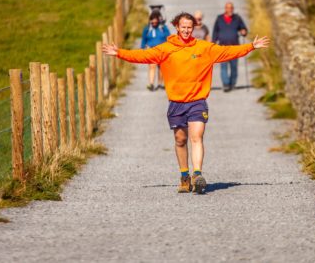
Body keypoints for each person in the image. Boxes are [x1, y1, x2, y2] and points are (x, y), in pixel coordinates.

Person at [103, 12, 269, 194]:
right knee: (180, 140)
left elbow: (228, 51)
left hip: (198, 101)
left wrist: (251, 46)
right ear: (177, 27)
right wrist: (119, 53)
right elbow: (143, 56)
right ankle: (184, 176)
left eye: (190, 27)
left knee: (196, 137)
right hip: (176, 103)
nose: (186, 30)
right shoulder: (165, 49)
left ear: (194, 28)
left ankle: (197, 175)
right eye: (183, 27)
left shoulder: (204, 48)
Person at [213, 2, 248, 92]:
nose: (230, 9)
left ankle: (232, 83)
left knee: (234, 67)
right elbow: (215, 32)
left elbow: (243, 28)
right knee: (223, 67)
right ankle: (226, 84)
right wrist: (213, 43)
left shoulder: (237, 18)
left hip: (234, 47)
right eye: (228, 8)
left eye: (231, 8)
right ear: (225, 9)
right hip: (222, 47)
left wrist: (244, 32)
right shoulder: (219, 18)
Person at [140, 10, 170, 91]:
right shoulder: (147, 29)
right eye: (152, 21)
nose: (154, 23)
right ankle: (151, 84)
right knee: (152, 66)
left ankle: (160, 84)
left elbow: (168, 37)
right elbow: (144, 39)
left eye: (155, 21)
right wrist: (142, 49)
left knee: (161, 68)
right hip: (151, 50)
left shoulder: (163, 28)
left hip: (162, 50)